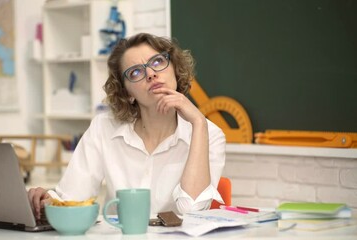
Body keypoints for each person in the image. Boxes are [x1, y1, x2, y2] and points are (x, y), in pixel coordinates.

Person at [28, 33, 226, 219]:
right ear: (127, 92)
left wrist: (199, 123)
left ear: (175, 70)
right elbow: (72, 199)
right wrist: (47, 201)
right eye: (135, 72)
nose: (150, 74)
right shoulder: (103, 128)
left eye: (158, 62)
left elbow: (192, 211)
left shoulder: (209, 134)